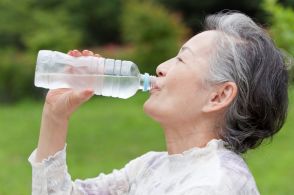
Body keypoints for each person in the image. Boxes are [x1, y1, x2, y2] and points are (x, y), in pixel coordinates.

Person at [28, 12, 288, 195]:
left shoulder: (216, 185)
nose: (161, 67)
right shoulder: (151, 167)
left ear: (218, 96)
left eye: (181, 59)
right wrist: (56, 115)